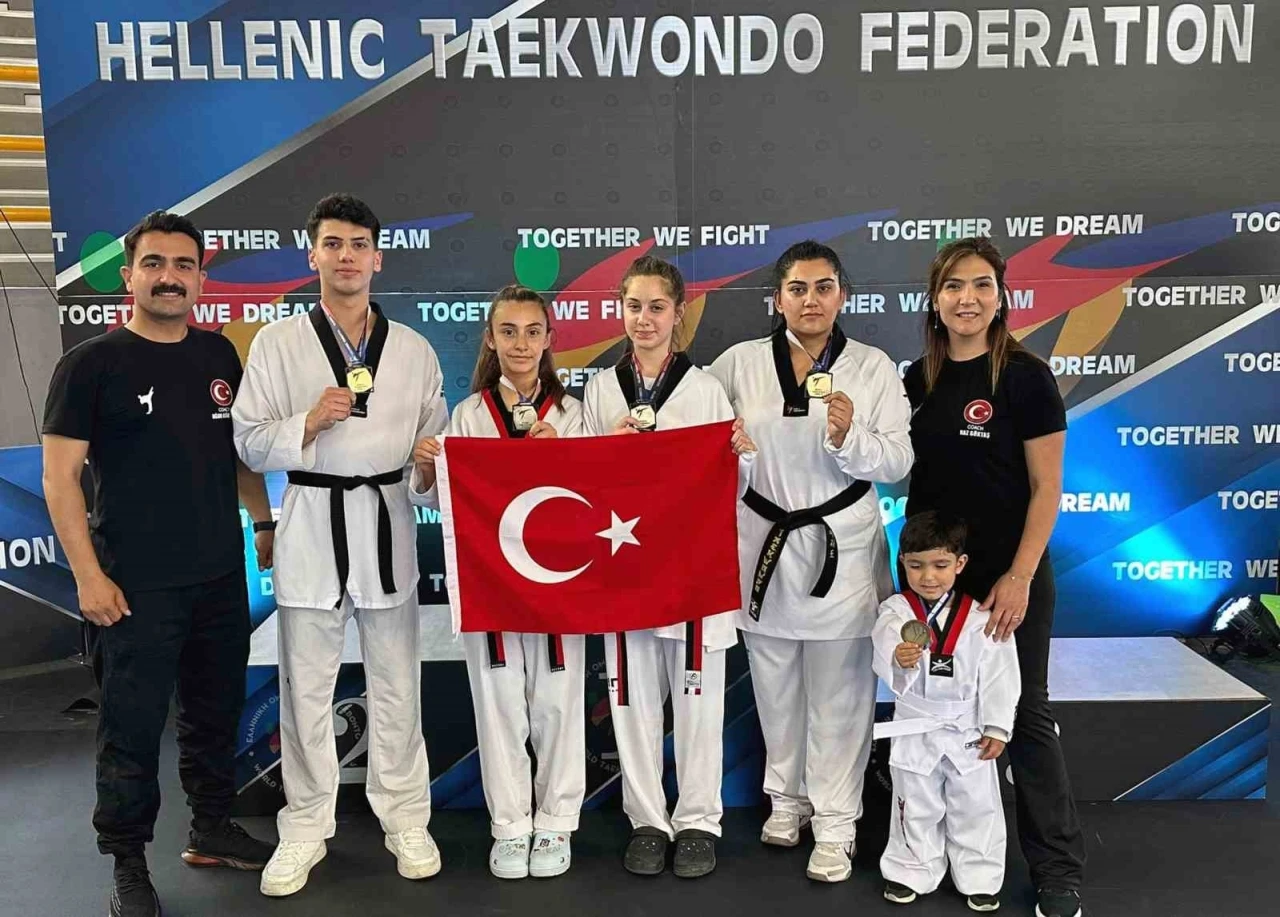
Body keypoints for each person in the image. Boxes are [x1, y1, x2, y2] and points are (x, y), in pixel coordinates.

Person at [42, 211, 276, 917]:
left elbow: (240, 454)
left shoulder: (219, 357)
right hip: (131, 586)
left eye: (182, 265)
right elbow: (60, 479)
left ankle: (210, 827)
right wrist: (88, 576)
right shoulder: (90, 365)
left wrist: (263, 521)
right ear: (129, 275)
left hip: (219, 576)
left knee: (214, 714)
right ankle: (127, 861)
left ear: (200, 279)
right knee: (132, 728)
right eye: (154, 263)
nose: (168, 277)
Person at [231, 193, 449, 897]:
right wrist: (305, 422)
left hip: (386, 520)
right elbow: (246, 441)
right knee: (306, 689)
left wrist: (427, 468)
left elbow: (432, 461)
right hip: (312, 519)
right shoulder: (277, 343)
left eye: (358, 244)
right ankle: (303, 827)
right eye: (333, 243)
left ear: (377, 258)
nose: (347, 256)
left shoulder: (413, 349)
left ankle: (406, 818)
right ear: (313, 255)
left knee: (397, 684)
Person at [709, 239, 913, 883]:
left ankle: (836, 823)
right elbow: (701, 444)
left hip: (842, 546)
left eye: (824, 287)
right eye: (797, 288)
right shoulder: (738, 364)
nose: (811, 300)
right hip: (762, 544)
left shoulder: (873, 367)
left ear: (842, 295)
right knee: (775, 688)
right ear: (777, 299)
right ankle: (787, 800)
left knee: (840, 697)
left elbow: (898, 461)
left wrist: (851, 437)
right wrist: (727, 448)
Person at [903, 237, 1084, 917]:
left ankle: (1057, 868)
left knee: (1023, 713)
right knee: (931, 709)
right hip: (935, 581)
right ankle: (926, 852)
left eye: (981, 284)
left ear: (1001, 296)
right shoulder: (916, 378)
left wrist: (1019, 575)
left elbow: (1046, 487)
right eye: (953, 286)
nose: (967, 299)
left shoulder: (1027, 377)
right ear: (935, 298)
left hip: (1009, 576)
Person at [582, 255, 756, 879]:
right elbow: (579, 483)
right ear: (620, 310)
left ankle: (698, 820)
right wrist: (608, 450)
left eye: (657, 307)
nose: (645, 319)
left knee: (697, 706)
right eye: (634, 306)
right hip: (625, 566)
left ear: (679, 313)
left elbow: (733, 484)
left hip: (691, 570)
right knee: (631, 702)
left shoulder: (705, 389)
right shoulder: (600, 390)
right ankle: (648, 820)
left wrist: (742, 456)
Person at [411, 285, 586, 880]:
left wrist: (564, 455)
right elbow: (444, 500)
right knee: (499, 706)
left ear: (549, 338)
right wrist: (427, 467)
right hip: (491, 584)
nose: (520, 343)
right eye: (508, 331)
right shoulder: (468, 415)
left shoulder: (572, 413)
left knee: (558, 704)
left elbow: (597, 492)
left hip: (559, 583)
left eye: (532, 331)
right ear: (490, 338)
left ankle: (556, 822)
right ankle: (510, 826)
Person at [873, 511, 1020, 912]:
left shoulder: (981, 617)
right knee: (913, 803)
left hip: (966, 727)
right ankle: (910, 870)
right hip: (915, 723)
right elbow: (885, 640)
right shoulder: (896, 610)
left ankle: (980, 876)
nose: (928, 577)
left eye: (940, 565)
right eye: (916, 565)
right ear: (902, 562)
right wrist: (898, 655)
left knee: (975, 805)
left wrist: (997, 727)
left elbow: (1001, 675)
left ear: (960, 563)